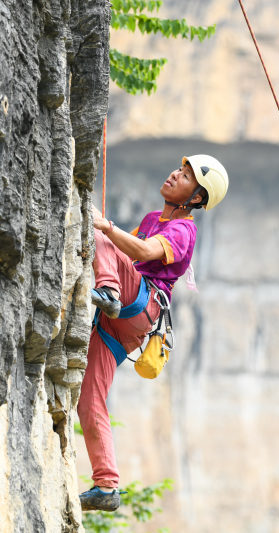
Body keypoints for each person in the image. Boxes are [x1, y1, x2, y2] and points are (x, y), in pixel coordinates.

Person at [78, 154, 229, 511]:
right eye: (180, 169)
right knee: (90, 397)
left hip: (138, 306)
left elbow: (143, 250)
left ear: (195, 198)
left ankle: (109, 293)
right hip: (125, 324)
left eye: (187, 176)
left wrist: (107, 230)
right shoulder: (151, 220)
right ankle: (106, 485)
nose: (176, 174)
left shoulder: (183, 230)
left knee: (103, 235)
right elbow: (127, 253)